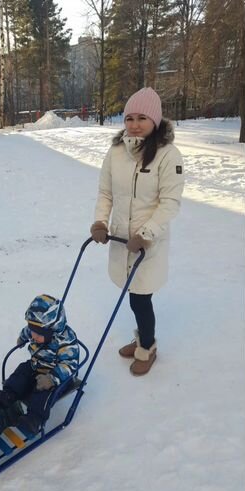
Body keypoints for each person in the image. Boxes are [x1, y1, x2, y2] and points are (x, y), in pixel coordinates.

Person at [90, 87, 185, 376]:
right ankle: (142, 338)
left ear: (155, 120)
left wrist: (146, 233)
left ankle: (148, 347)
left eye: (142, 117)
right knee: (132, 293)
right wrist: (100, 223)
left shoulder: (169, 155)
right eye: (129, 117)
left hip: (147, 244)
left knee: (140, 298)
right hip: (122, 240)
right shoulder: (116, 152)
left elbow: (170, 203)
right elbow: (105, 193)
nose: (134, 124)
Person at [0, 294, 80, 435]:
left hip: (57, 376)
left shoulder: (66, 340)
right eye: (32, 331)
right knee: (22, 371)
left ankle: (35, 419)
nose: (33, 336)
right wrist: (23, 337)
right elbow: (29, 330)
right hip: (36, 364)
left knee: (43, 392)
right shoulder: (37, 329)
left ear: (52, 330)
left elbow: (70, 365)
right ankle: (8, 395)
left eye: (38, 334)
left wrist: (52, 378)